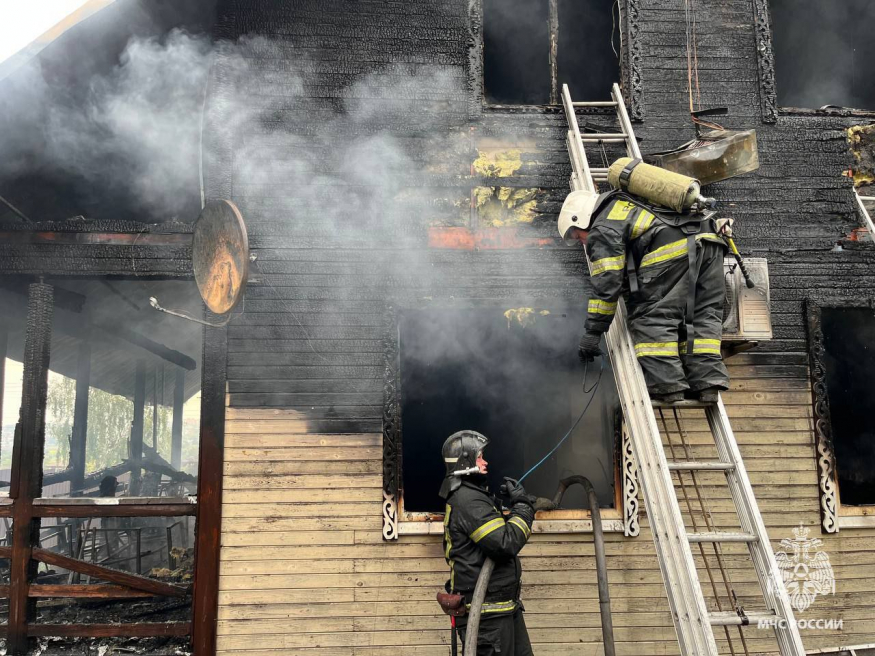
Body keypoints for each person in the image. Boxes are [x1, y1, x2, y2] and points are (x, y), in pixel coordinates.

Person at [558, 188, 730, 403]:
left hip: (675, 249)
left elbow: (607, 286)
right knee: (701, 315)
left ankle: (668, 386)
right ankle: (708, 384)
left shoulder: (602, 227)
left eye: (577, 235)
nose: (582, 242)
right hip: (711, 242)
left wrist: (593, 332)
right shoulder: (628, 204)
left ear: (580, 219)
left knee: (652, 316)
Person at [438, 430, 536, 655]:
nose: (485, 461)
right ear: (466, 461)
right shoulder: (468, 500)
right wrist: (522, 505)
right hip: (487, 619)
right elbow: (505, 543)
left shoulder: (473, 497)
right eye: (480, 456)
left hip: (502, 610)